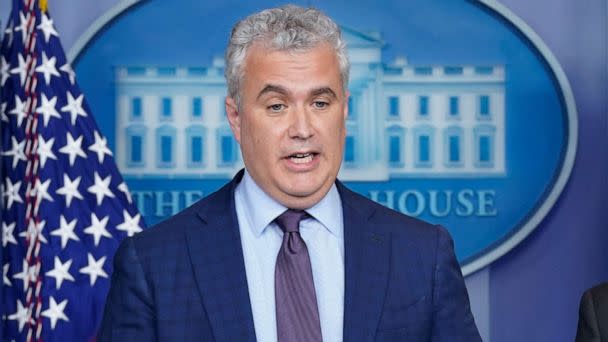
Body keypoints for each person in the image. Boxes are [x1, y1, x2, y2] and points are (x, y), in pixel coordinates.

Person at [98, 5, 481, 341]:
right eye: (277, 105)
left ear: (344, 111)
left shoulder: (421, 253)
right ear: (236, 117)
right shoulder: (153, 264)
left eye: (319, 102)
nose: (303, 128)